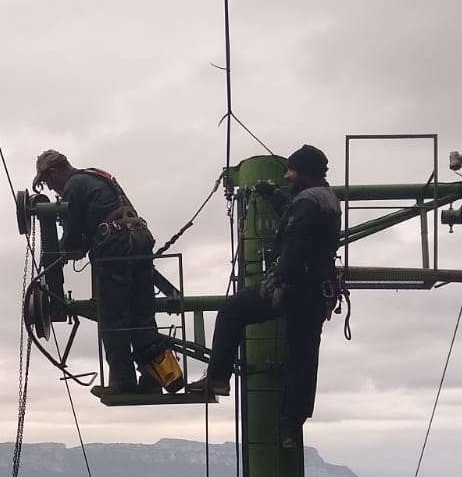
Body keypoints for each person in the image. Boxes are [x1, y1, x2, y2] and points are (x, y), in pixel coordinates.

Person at [194, 143, 341, 441]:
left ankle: (218, 378)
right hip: (317, 291)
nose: (287, 176)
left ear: (304, 172)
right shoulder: (325, 198)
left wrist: (277, 280)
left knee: (233, 310)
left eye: (291, 171)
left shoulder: (308, 202)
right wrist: (275, 196)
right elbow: (295, 214)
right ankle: (292, 422)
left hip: (295, 286)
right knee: (303, 354)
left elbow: (296, 240)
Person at [33, 149, 174, 396]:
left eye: (48, 182)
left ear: (54, 172)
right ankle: (155, 378)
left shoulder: (74, 185)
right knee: (142, 315)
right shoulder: (96, 177)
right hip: (140, 238)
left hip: (116, 245)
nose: (53, 189)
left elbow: (74, 239)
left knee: (112, 317)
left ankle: (123, 382)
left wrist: (56, 256)